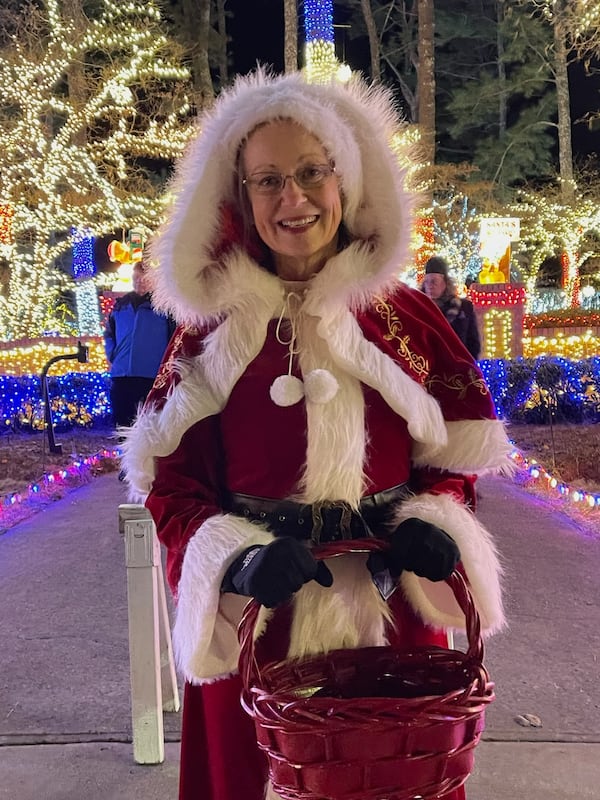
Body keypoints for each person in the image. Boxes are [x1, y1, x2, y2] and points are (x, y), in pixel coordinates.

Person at [122, 70, 513, 800]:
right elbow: (170, 485)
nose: (292, 199)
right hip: (260, 625)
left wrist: (437, 521)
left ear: (346, 181)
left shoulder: (405, 319)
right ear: (240, 196)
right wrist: (234, 563)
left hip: (391, 617)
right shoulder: (211, 335)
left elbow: (452, 462)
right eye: (267, 180)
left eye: (311, 173)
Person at [103, 259, 176, 430]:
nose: (139, 282)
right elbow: (109, 333)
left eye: (143, 279)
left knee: (149, 427)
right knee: (123, 424)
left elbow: (174, 338)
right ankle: (125, 456)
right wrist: (112, 354)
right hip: (122, 375)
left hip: (150, 376)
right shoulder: (121, 305)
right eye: (135, 278)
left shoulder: (163, 307)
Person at [421, 256, 482, 360]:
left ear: (445, 283)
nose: (430, 286)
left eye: (434, 281)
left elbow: (473, 344)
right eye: (427, 282)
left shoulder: (464, 308)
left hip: (458, 367)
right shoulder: (420, 310)